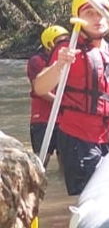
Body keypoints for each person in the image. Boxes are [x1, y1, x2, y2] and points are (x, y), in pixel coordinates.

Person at [32, 0, 109, 196]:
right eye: (90, 13)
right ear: (79, 19)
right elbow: (40, 88)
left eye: (101, 13)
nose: (97, 18)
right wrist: (59, 65)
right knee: (88, 195)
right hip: (78, 137)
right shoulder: (67, 49)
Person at [27, 24, 68, 163]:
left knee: (66, 164)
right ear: (49, 43)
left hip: (62, 120)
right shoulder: (37, 61)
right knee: (41, 162)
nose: (64, 45)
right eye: (60, 42)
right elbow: (40, 91)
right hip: (42, 119)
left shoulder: (68, 61)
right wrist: (61, 102)